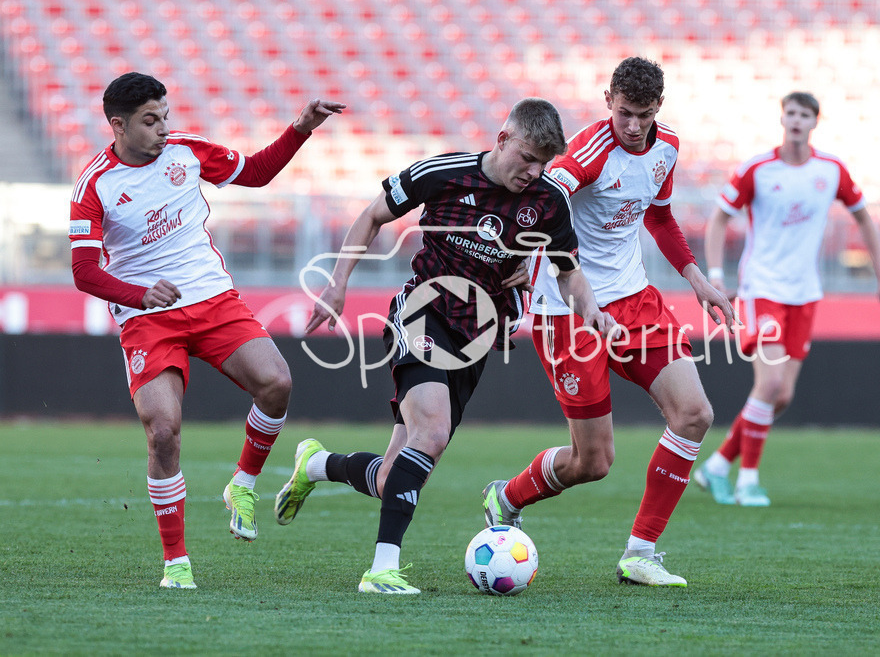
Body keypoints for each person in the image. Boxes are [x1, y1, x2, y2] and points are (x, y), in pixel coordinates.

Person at [273, 98, 617, 595]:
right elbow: (371, 216)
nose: (534, 171)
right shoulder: (443, 174)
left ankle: (317, 465)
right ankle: (382, 569)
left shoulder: (548, 202)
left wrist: (590, 309)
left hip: (478, 338)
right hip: (424, 311)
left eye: (544, 162)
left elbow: (569, 273)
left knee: (394, 476)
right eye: (528, 157)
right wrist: (338, 283)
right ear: (503, 140)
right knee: (430, 434)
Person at [68, 72, 345, 589]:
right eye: (150, 121)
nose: (162, 129)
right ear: (118, 125)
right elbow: (84, 272)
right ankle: (176, 561)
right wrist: (139, 294)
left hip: (212, 299)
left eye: (165, 117)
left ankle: (242, 483)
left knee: (278, 382)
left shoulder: (187, 153)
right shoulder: (95, 185)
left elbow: (258, 172)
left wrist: (301, 128)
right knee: (163, 431)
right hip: (148, 318)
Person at [480, 57, 735, 587]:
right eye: (624, 113)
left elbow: (659, 216)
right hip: (570, 308)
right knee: (593, 462)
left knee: (694, 414)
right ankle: (507, 496)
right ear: (607, 101)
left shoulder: (667, 147)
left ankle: (641, 552)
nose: (633, 125)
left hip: (636, 299)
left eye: (643, 114)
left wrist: (697, 279)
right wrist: (525, 267)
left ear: (658, 108)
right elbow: (544, 198)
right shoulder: (591, 150)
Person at [693, 91, 880, 507]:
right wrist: (716, 276)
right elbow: (718, 219)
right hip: (762, 288)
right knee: (769, 383)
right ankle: (747, 481)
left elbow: (864, 216)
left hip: (804, 292)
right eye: (790, 112)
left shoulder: (831, 170)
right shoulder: (757, 168)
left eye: (803, 114)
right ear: (782, 118)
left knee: (781, 396)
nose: (795, 120)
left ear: (814, 123)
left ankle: (717, 467)